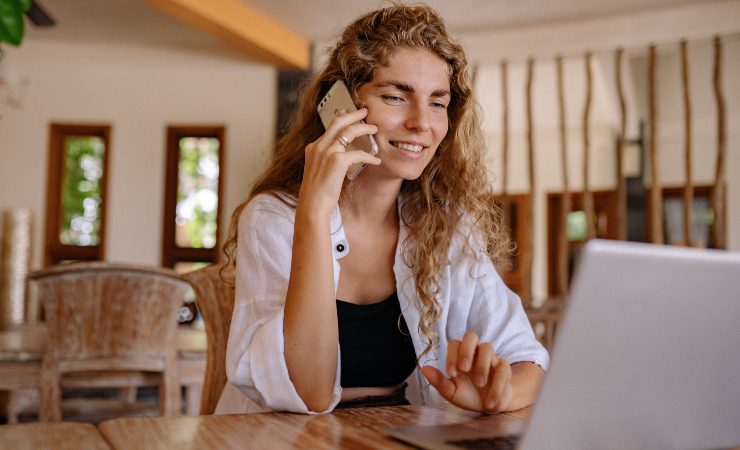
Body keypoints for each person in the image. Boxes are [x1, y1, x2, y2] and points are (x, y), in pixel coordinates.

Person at [217, 3, 548, 415]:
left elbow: (528, 359)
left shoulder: (446, 223)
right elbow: (310, 393)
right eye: (395, 96)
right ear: (339, 107)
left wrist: (502, 394)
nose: (421, 123)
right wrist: (315, 213)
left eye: (437, 103)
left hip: (398, 431)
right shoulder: (273, 218)